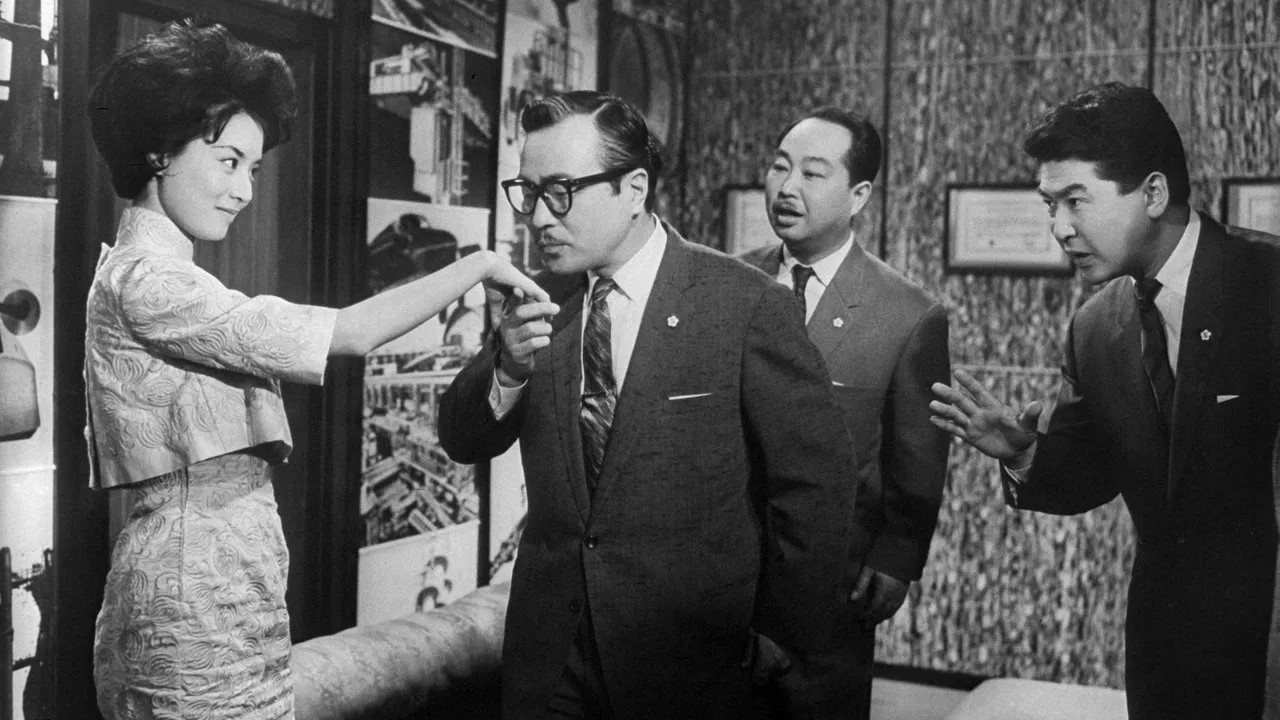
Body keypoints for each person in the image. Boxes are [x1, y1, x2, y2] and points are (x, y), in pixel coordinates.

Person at [85, 20, 546, 720]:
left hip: (230, 606)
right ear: (157, 151)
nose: (243, 189)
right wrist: (478, 263)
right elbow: (353, 333)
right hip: (188, 616)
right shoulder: (149, 283)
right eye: (227, 160)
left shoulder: (159, 276)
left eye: (254, 168)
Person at [437, 91, 859, 720]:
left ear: (634, 189)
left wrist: (780, 630)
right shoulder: (533, 298)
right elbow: (462, 438)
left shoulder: (743, 304)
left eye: (560, 191)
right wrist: (506, 370)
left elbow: (815, 483)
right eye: (527, 192)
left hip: (690, 661)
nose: (538, 218)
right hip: (552, 659)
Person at [929, 81, 1280, 720]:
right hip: (1164, 652)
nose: (1058, 227)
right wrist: (1025, 452)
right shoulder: (1096, 326)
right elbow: (1091, 473)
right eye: (1048, 204)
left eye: (1075, 201)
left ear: (1153, 192)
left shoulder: (1269, 287)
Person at [739, 107, 950, 719]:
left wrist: (897, 558)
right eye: (780, 167)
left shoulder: (907, 312)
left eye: (812, 172)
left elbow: (917, 456)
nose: (786, 187)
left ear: (859, 195)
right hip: (725, 581)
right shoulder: (731, 283)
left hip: (833, 590)